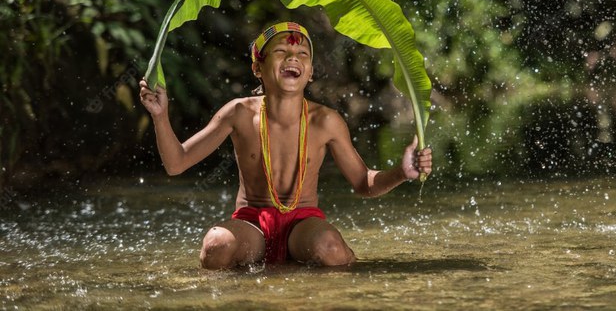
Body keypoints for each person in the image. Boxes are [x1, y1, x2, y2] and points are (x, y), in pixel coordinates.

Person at [138, 21, 432, 269]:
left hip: (302, 226)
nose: (293, 57)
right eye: (281, 52)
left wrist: (402, 172)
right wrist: (160, 117)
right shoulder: (238, 113)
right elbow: (176, 163)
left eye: (302, 54)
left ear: (311, 71)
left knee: (330, 248)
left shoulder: (326, 121)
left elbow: (363, 183)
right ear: (258, 68)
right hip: (252, 224)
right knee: (216, 246)